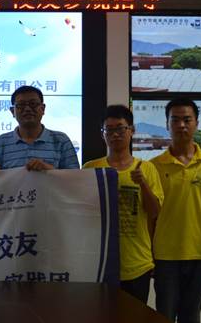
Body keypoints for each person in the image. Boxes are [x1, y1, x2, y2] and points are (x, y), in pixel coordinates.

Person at [151, 98, 201, 323]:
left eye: (187, 120)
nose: (181, 125)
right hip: (165, 255)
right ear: (167, 124)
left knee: (191, 316)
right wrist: (148, 253)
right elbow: (150, 215)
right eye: (175, 120)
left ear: (196, 124)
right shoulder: (153, 166)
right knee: (164, 314)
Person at [83, 104, 163, 303]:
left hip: (137, 263)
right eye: (109, 130)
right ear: (102, 134)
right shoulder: (91, 168)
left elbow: (154, 212)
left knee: (135, 316)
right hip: (100, 261)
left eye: (120, 128)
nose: (115, 134)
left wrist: (142, 183)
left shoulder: (147, 168)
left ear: (131, 130)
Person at [0, 85, 79, 171]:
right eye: (21, 105)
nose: (27, 109)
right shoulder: (1, 142)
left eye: (33, 104)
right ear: (13, 111)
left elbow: (75, 178)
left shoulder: (61, 140)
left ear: (43, 109)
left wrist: (49, 170)